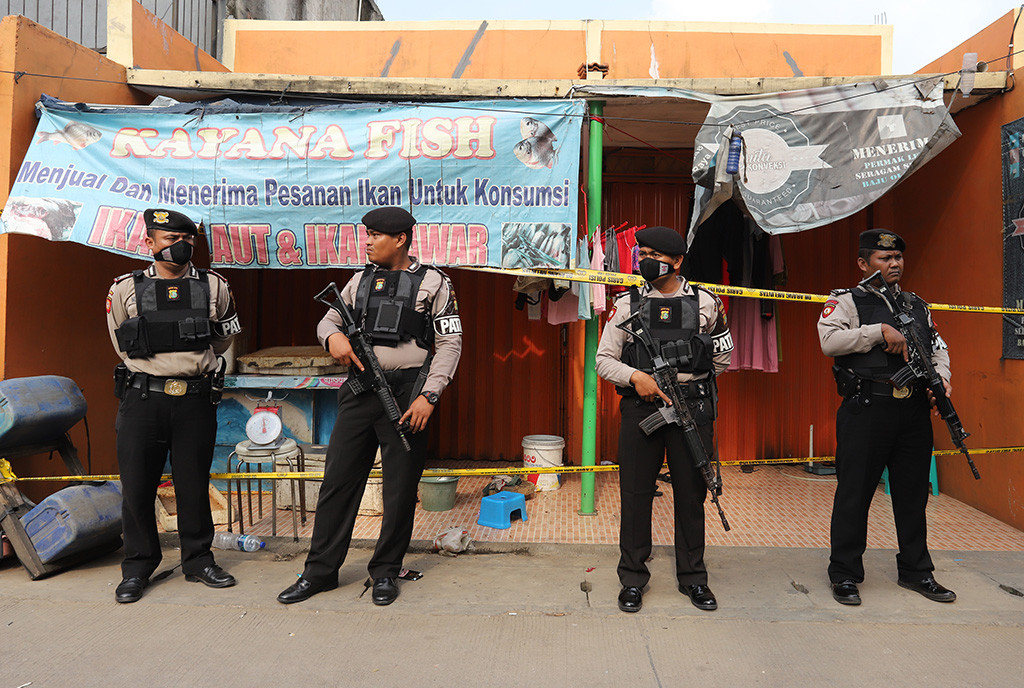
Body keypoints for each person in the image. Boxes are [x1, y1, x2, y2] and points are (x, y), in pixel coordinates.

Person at [277, 206, 462, 606]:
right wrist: (333, 340)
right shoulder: (358, 281)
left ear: (400, 239)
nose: (368, 241)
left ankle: (385, 572)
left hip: (409, 395)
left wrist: (430, 395)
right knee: (338, 483)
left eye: (376, 235)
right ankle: (319, 572)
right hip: (361, 390)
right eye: (366, 234)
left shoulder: (434, 282)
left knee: (399, 489)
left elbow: (449, 343)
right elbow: (328, 321)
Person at [596, 226, 733, 613]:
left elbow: (722, 356)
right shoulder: (627, 304)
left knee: (691, 496)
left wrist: (691, 386)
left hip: (692, 409)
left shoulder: (708, 303)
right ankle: (633, 579)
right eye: (641, 253)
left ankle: (693, 578)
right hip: (643, 412)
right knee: (636, 496)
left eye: (653, 253)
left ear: (677, 261)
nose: (644, 260)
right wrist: (635, 377)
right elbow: (603, 360)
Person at [106, 208, 241, 603]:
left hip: (195, 399)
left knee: (193, 485)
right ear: (149, 242)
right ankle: (137, 567)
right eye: (170, 239)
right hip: (142, 398)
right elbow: (119, 340)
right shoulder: (124, 289)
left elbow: (223, 338)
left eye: (188, 240)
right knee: (137, 486)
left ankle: (198, 561)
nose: (181, 246)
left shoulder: (215, 287)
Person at [818, 228, 957, 606]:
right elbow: (829, 342)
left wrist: (942, 380)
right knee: (854, 494)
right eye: (884, 258)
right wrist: (877, 331)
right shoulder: (845, 302)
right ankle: (844, 574)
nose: (893, 263)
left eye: (897, 257)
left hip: (912, 411)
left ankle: (916, 571)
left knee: (913, 496)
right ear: (864, 263)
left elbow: (939, 348)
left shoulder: (916, 305)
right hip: (866, 409)